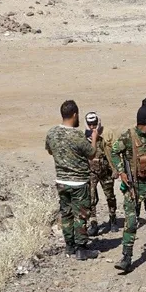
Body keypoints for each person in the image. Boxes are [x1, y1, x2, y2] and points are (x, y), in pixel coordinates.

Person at [111, 102, 146, 272]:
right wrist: (121, 171)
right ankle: (126, 257)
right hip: (134, 187)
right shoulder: (128, 137)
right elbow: (114, 152)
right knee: (131, 222)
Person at [45, 100, 96, 261]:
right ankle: (81, 248)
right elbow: (92, 154)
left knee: (66, 214)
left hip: (61, 180)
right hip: (79, 182)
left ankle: (70, 246)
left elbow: (50, 151)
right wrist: (94, 138)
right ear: (75, 115)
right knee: (81, 215)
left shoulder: (52, 133)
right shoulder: (77, 135)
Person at [85, 112, 117, 236]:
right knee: (91, 198)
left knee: (110, 196)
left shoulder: (106, 134)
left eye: (94, 124)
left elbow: (114, 151)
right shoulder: (84, 138)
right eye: (90, 124)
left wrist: (116, 169)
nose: (92, 126)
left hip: (106, 171)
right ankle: (93, 223)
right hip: (91, 172)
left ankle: (113, 219)